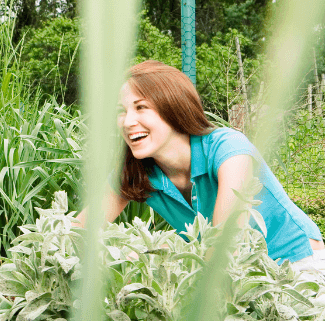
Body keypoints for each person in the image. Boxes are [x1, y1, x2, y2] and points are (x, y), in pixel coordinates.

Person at [79, 60, 324, 272]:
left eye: (141, 107)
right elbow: (78, 230)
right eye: (121, 111)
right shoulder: (135, 171)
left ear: (172, 106)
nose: (128, 121)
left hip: (298, 268)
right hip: (233, 279)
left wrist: (155, 254)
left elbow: (226, 244)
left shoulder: (228, 148)